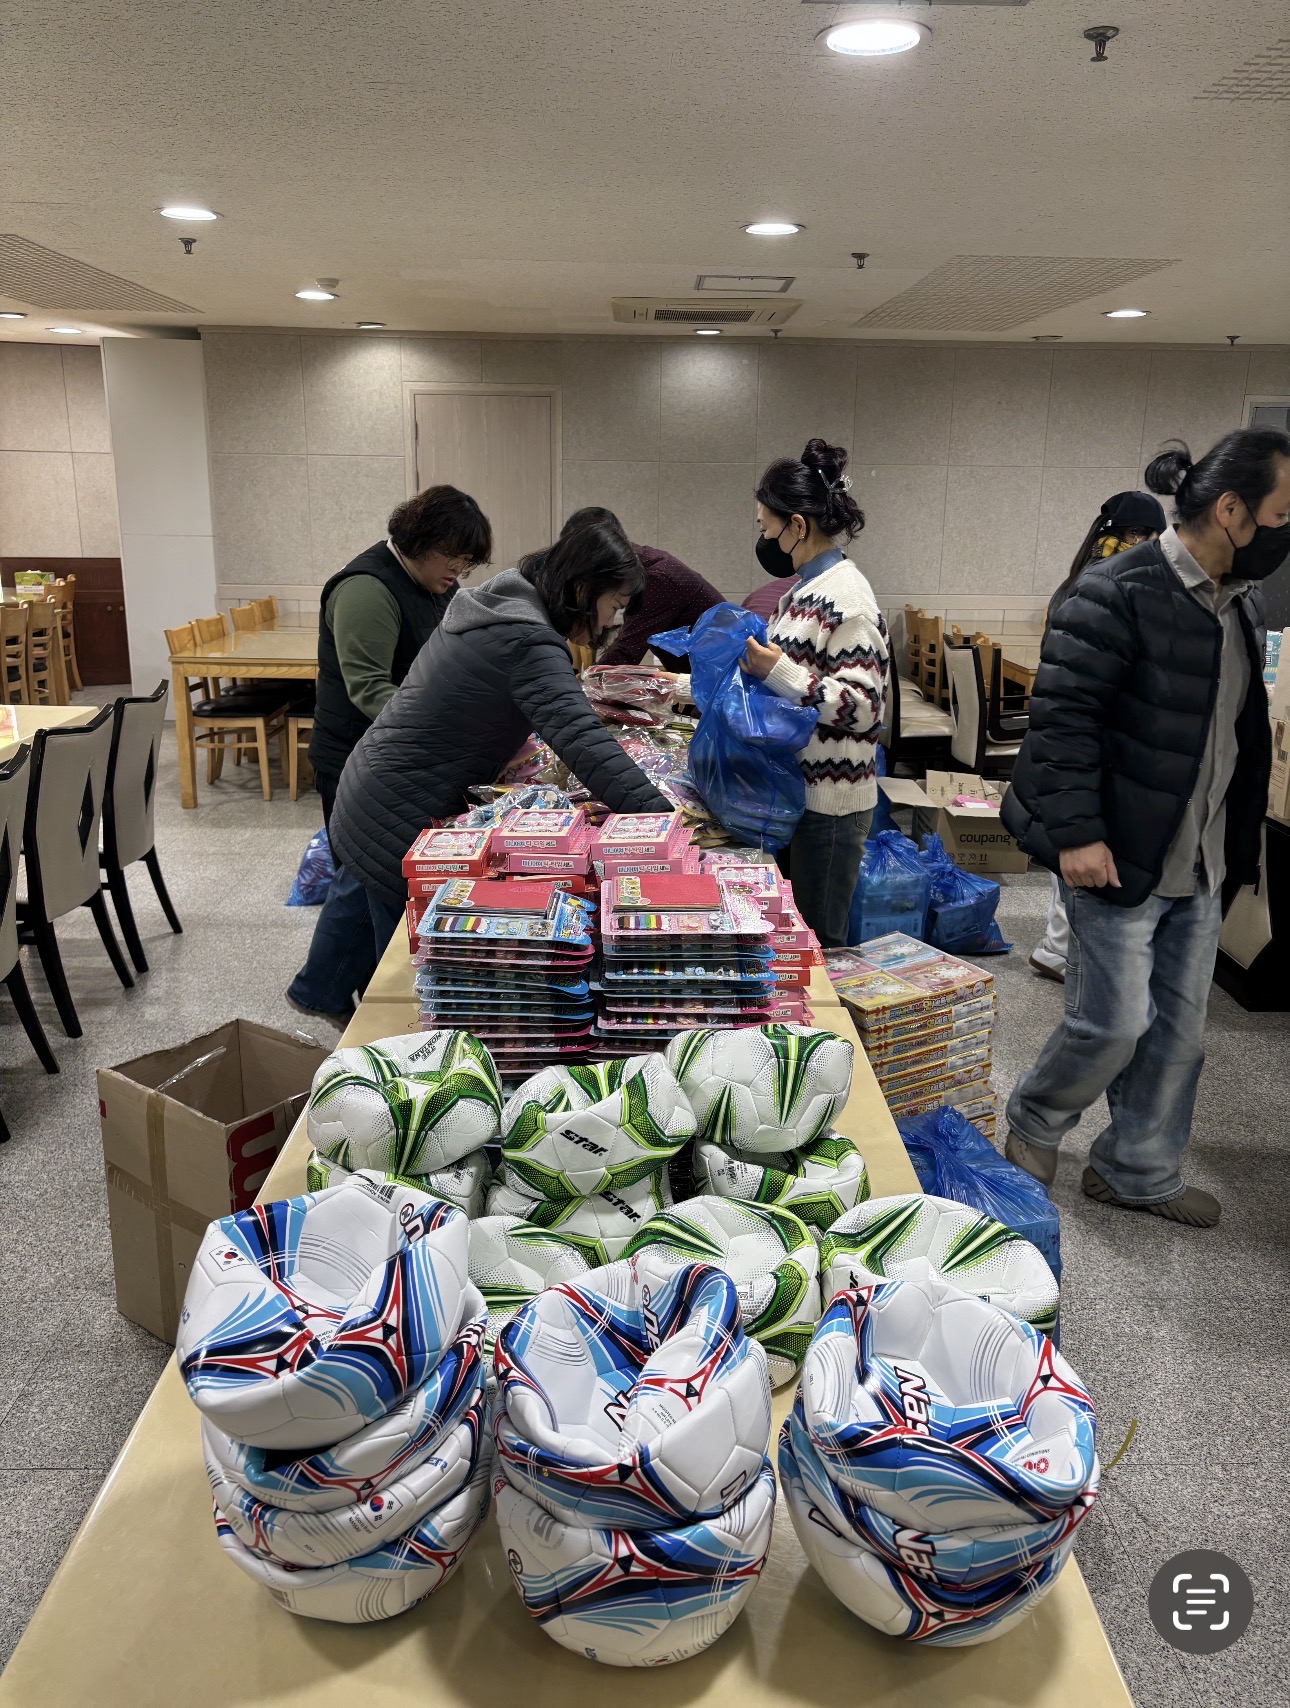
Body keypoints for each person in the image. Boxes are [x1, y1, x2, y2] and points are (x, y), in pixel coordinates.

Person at [1002, 427, 1290, 1228]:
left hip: (1199, 860)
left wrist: (1239, 851)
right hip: (1119, 851)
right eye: (1281, 515)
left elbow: (1235, 735)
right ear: (1231, 510)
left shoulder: (1242, 602)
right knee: (1113, 1023)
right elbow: (1062, 722)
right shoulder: (1115, 590)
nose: (1285, 532)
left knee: (1179, 1036)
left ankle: (1136, 1169)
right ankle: (1032, 1127)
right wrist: (1077, 834)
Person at [329, 522, 674, 948]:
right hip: (397, 818)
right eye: (615, 605)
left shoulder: (503, 602)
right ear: (583, 589)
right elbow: (584, 741)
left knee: (344, 956)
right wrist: (663, 821)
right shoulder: (526, 639)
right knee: (399, 969)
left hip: (371, 794)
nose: (612, 621)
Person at [286, 485, 492, 1022]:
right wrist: (447, 728)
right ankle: (364, 1003)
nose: (459, 571)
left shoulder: (433, 584)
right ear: (420, 542)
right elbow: (369, 688)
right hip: (355, 761)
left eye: (468, 563)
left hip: (399, 760)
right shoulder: (367, 589)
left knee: (364, 878)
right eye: (453, 558)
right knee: (370, 877)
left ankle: (320, 991)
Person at [738, 438, 889, 949]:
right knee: (793, 942)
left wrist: (778, 671)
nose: (765, 540)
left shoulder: (848, 599)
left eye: (767, 529)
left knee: (819, 944)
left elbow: (864, 709)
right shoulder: (802, 591)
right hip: (797, 793)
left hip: (831, 805)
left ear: (797, 526)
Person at [1029, 489, 1167, 983]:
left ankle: (1058, 947)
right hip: (1088, 744)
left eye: (1154, 536)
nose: (1145, 545)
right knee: (1082, 850)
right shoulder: (1095, 591)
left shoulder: (1089, 585)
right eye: (1135, 534)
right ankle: (1065, 951)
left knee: (1076, 852)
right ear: (1108, 536)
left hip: (1087, 745)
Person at [556, 507, 724, 669]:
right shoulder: (644, 571)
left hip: (723, 680)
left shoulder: (657, 577)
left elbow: (625, 653)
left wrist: (585, 681)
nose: (608, 623)